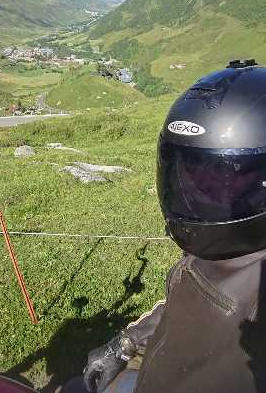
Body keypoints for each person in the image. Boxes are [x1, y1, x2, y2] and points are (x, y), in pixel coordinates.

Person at [74, 59, 266, 393]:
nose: (198, 195)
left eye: (228, 178)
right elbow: (183, 301)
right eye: (192, 174)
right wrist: (126, 342)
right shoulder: (225, 251)